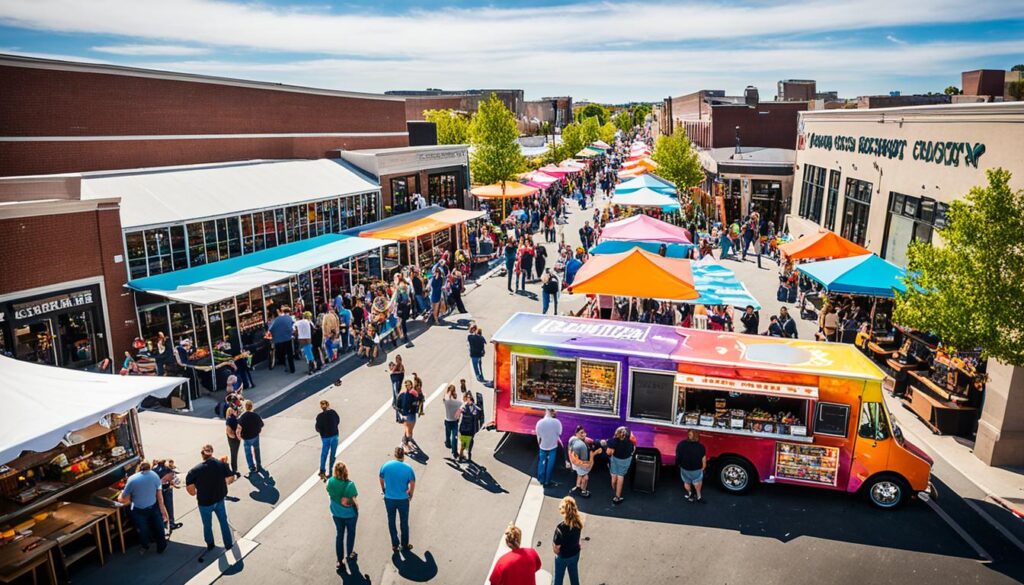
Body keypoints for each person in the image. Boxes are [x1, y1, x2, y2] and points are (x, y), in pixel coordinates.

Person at [185, 445, 236, 556]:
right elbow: (231, 479)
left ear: (202, 454)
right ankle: (228, 544)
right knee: (223, 522)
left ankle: (210, 544)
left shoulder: (195, 470)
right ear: (212, 452)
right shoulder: (222, 464)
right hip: (219, 499)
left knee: (207, 524)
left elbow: (191, 491)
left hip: (205, 503)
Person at [118, 461, 169, 554]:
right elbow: (159, 495)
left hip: (138, 509)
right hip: (153, 506)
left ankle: (145, 546)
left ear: (138, 468)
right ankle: (161, 546)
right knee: (159, 527)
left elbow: (123, 498)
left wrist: (120, 495)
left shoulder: (132, 479)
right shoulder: (155, 475)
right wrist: (163, 510)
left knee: (142, 529)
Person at [379, 447, 416, 552]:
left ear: (394, 455)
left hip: (389, 498)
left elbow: (381, 477)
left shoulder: (386, 466)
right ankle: (405, 544)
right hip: (403, 499)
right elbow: (412, 482)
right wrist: (410, 493)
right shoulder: (408, 468)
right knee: (404, 522)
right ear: (403, 456)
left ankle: (395, 544)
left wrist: (383, 489)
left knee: (391, 521)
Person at [326, 461, 359, 569]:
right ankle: (349, 554)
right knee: (350, 533)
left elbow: (329, 492)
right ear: (346, 471)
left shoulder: (330, 482)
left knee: (339, 535)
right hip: (350, 515)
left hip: (336, 514)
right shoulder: (350, 485)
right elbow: (354, 501)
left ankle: (339, 561)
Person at [552, 496, 584, 585]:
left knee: (558, 580)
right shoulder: (578, 523)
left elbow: (556, 549)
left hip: (563, 557)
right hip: (575, 553)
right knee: (574, 577)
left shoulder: (560, 528)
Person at [604, 426, 635, 505]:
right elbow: (633, 450)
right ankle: (617, 497)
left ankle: (614, 491)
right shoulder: (630, 443)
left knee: (614, 476)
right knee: (620, 476)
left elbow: (608, 453)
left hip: (615, 460)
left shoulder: (613, 441)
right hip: (625, 461)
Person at [676, 430, 707, 503]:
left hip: (685, 468)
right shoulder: (701, 447)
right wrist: (702, 469)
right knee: (697, 483)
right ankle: (699, 496)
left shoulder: (681, 444)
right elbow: (704, 462)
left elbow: (678, 457)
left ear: (688, 435)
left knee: (686, 482)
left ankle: (690, 493)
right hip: (696, 470)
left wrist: (680, 465)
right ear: (697, 436)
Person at [152, 459, 183, 532]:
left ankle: (163, 525)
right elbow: (175, 481)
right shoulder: (168, 469)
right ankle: (171, 523)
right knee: (169, 507)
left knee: (160, 508)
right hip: (166, 490)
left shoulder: (154, 469)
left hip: (157, 491)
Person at [535, 409, 562, 487]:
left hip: (543, 446)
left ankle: (541, 479)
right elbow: (560, 433)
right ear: (552, 412)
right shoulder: (557, 422)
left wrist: (539, 444)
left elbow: (538, 435)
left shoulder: (539, 423)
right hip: (553, 446)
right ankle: (547, 481)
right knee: (550, 464)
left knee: (541, 463)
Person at [237, 400, 265, 476]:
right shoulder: (256, 415)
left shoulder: (242, 417)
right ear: (252, 407)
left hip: (246, 438)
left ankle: (251, 467)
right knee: (257, 450)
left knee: (248, 453)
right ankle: (258, 465)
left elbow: (238, 429)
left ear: (244, 407)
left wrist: (239, 437)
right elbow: (262, 425)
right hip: (255, 436)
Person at [316, 400, 341, 481]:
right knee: (332, 453)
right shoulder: (333, 412)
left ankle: (322, 471)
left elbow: (317, 428)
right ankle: (332, 470)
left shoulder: (319, 416)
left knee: (324, 454)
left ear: (321, 407)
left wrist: (322, 432)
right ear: (328, 405)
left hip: (325, 437)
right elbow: (338, 421)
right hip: (334, 435)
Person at [267, 307, 295, 373]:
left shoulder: (274, 321)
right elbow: (292, 323)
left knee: (282, 354)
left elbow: (270, 330)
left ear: (273, 315)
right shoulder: (287, 317)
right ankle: (292, 368)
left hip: (279, 340)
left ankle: (285, 366)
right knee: (289, 353)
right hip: (288, 337)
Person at [396, 380, 421, 453]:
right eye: (406, 385)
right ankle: (405, 444)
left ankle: (406, 441)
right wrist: (402, 414)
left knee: (410, 430)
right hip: (406, 415)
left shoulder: (413, 393)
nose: (408, 386)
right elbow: (398, 406)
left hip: (412, 414)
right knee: (408, 431)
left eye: (409, 385)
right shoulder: (402, 395)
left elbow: (417, 403)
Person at [458, 392, 483, 462]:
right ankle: (466, 455)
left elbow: (457, 415)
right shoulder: (475, 409)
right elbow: (479, 416)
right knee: (468, 442)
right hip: (469, 429)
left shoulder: (463, 407)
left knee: (464, 443)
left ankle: (462, 455)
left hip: (465, 429)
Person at [223, 394, 242, 476]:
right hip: (233, 438)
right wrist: (235, 436)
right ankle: (234, 471)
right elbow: (228, 431)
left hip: (235, 436)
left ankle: (234, 469)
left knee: (235, 453)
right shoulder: (230, 417)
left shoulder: (233, 411)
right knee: (234, 453)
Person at [442, 384, 462, 459]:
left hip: (447, 420)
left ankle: (447, 443)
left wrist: (449, 391)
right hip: (454, 421)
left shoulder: (446, 402)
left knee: (447, 433)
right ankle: (454, 452)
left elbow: (445, 397)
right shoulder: (458, 403)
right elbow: (461, 409)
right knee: (454, 437)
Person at [294, 311, 316, 375]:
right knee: (309, 353)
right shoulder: (310, 323)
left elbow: (296, 332)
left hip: (302, 340)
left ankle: (311, 367)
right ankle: (312, 367)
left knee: (307, 354)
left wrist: (295, 335)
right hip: (309, 339)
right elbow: (313, 331)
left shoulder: (297, 323)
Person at [388, 356, 406, 420]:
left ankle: (394, 404)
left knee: (396, 398)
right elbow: (393, 372)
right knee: (397, 400)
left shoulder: (400, 366)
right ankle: (398, 418)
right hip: (396, 385)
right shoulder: (393, 372)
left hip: (398, 385)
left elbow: (402, 371)